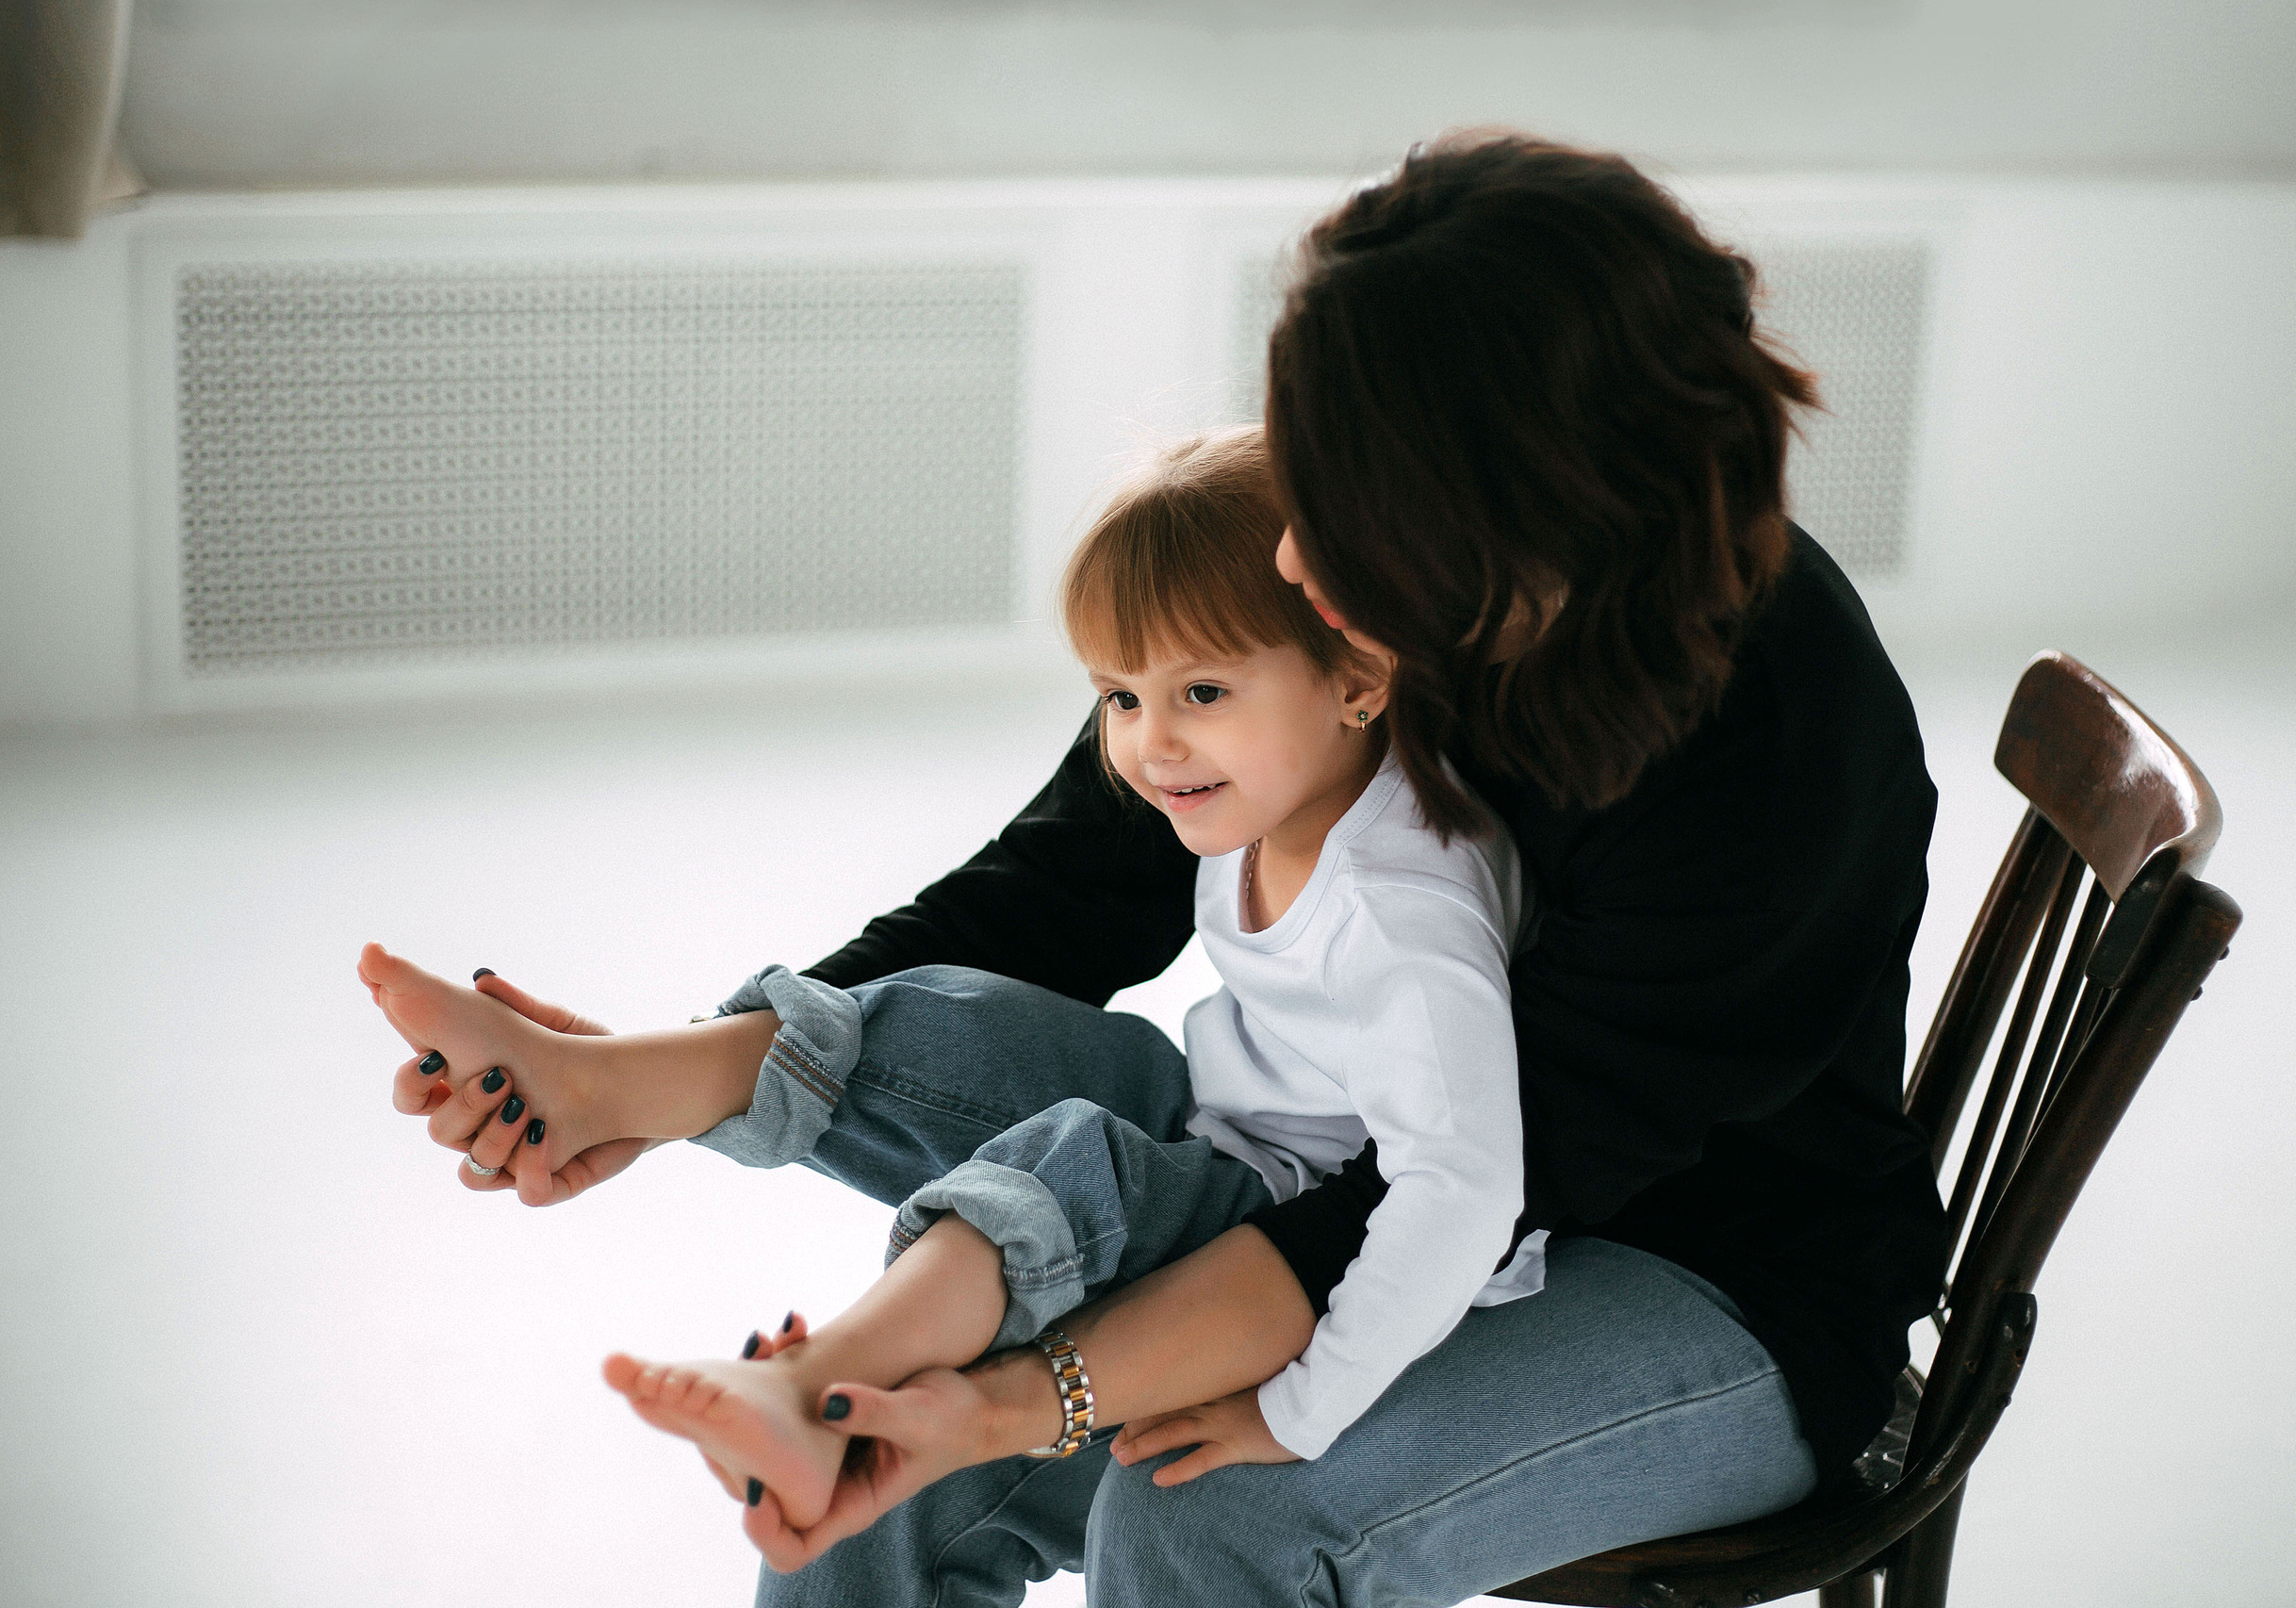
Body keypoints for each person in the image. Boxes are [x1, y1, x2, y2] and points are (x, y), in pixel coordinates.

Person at [385, 131, 1951, 1606]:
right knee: (924, 1280)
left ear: (1507, 505)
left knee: (1197, 1501)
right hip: (1351, 1152)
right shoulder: (1395, 562)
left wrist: (1027, 1395)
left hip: (1699, 1274)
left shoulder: (1774, 752)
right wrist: (674, 1084)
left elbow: (1462, 1191)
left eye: (1342, 500)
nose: (1293, 550)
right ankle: (642, 1083)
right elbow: (1073, 880)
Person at [363, 424, 1546, 1532]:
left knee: (1067, 1157)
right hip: (1232, 1128)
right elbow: (1033, 900)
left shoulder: (1401, 913)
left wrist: (1303, 1405)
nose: (1151, 744)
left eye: (1202, 691)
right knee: (946, 1010)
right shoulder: (1271, 790)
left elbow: (1462, 1187)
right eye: (1121, 696)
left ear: (1358, 677)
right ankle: (609, 1081)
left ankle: (820, 1382)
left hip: (1310, 1218)